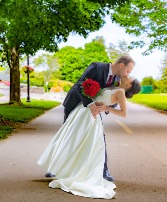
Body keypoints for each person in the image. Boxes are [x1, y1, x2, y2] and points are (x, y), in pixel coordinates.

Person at [37, 76, 141, 199]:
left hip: (90, 116)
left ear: (129, 85)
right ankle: (65, 168)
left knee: (79, 142)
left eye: (130, 78)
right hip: (83, 110)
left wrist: (106, 108)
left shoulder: (120, 92)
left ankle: (74, 171)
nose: (127, 76)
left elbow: (124, 113)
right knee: (69, 139)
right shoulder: (114, 86)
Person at [45, 55, 135, 180]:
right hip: (75, 104)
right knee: (67, 136)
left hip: (93, 112)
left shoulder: (117, 80)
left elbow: (112, 100)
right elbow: (80, 85)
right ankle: (54, 168)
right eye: (128, 71)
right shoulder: (97, 67)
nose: (127, 74)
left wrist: (105, 106)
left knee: (99, 138)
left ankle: (104, 170)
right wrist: (91, 104)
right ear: (121, 65)